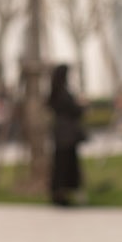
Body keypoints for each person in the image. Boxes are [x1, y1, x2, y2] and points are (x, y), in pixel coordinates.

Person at [47, 63, 86, 206]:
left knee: (60, 164)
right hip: (67, 134)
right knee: (66, 165)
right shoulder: (63, 93)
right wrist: (82, 105)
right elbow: (75, 111)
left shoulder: (54, 91)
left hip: (59, 133)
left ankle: (60, 194)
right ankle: (63, 195)